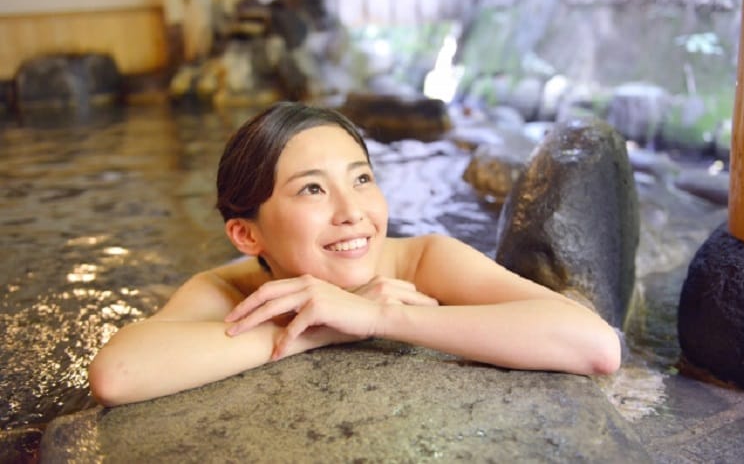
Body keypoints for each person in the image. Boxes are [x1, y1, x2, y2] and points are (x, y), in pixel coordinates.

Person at [88, 102, 621, 407]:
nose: (352, 212)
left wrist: (380, 316)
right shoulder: (226, 290)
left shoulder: (423, 261)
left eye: (362, 179)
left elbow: (596, 346)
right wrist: (314, 328)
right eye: (312, 190)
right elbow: (118, 374)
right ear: (248, 237)